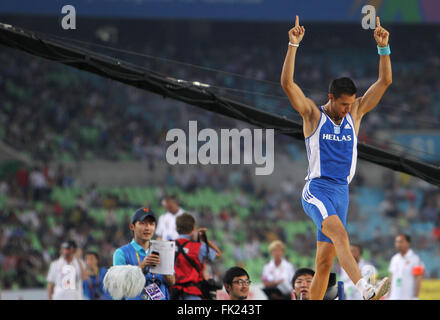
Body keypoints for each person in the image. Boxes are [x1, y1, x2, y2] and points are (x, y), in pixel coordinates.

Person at [280, 15, 392, 300]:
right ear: (331, 97)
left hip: (342, 192)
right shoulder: (312, 115)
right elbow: (288, 84)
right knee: (341, 236)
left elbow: (385, 81)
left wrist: (383, 48)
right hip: (317, 190)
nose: (347, 109)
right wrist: (293, 44)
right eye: (343, 104)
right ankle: (366, 289)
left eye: (350, 104)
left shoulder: (355, 113)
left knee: (324, 264)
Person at [113, 207, 175, 300]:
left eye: (151, 224)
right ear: (132, 226)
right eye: (142, 223)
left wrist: (163, 268)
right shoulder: (121, 253)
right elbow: (119, 286)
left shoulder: (163, 250)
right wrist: (142, 266)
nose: (147, 228)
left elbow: (172, 282)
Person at [170, 213, 221, 300]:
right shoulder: (199, 247)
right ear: (194, 228)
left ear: (176, 228)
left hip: (173, 293)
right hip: (193, 293)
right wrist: (204, 240)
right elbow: (218, 254)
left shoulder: (168, 244)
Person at [388, 234, 424, 300]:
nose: (398, 244)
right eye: (396, 242)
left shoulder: (416, 259)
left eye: (401, 241)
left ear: (408, 243)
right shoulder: (394, 259)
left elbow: (418, 279)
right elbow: (392, 278)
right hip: (394, 296)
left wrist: (415, 297)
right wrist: (388, 295)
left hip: (408, 297)